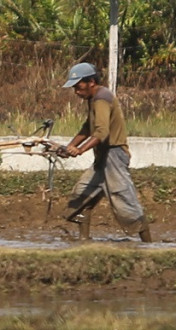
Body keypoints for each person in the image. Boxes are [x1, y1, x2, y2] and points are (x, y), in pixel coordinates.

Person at [59, 62, 151, 242]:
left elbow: (102, 132)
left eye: (78, 86)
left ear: (91, 82)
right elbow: (88, 128)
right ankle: (84, 240)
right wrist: (69, 147)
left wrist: (80, 150)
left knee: (124, 201)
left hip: (114, 156)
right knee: (81, 196)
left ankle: (149, 246)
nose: (76, 92)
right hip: (102, 157)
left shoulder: (102, 98)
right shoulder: (92, 98)